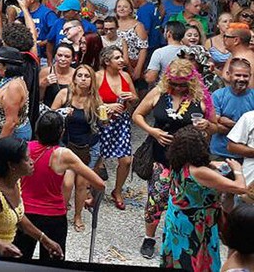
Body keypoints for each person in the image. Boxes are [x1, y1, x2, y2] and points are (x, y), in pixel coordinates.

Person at [132, 58, 209, 259]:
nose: (176, 87)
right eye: (173, 83)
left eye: (181, 84)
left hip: (189, 162)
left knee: (185, 201)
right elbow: (137, 115)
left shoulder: (200, 97)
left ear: (190, 82)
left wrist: (206, 126)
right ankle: (149, 238)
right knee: (156, 199)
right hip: (161, 158)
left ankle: (179, 237)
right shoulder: (159, 93)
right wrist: (153, 131)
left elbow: (215, 125)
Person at [15, 111, 105, 260]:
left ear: (37, 131)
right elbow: (99, 184)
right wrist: (93, 198)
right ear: (62, 133)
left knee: (19, 261)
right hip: (53, 216)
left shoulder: (24, 148)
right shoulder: (63, 154)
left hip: (25, 213)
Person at [0, 137, 63, 259]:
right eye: (26, 159)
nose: (32, 162)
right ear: (11, 165)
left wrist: (44, 240)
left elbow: (18, 215)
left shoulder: (14, 180)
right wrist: (0, 245)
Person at [161, 127, 247, 271]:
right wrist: (238, 169)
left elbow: (206, 168)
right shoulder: (200, 172)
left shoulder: (178, 162)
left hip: (177, 218)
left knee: (178, 259)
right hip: (195, 224)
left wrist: (214, 165)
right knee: (195, 261)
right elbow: (240, 187)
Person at [50, 63, 105, 231]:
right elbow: (50, 116)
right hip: (67, 145)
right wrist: (62, 113)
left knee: (82, 185)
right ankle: (61, 213)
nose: (83, 79)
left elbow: (102, 124)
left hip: (87, 147)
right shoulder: (64, 94)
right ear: (74, 78)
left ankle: (78, 215)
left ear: (92, 80)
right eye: (79, 75)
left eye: (87, 76)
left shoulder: (95, 100)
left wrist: (105, 115)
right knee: (67, 183)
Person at [95, 45, 138, 210]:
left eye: (121, 57)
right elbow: (90, 100)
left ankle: (117, 191)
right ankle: (93, 189)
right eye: (117, 58)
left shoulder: (125, 76)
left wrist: (132, 97)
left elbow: (136, 99)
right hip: (102, 121)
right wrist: (108, 106)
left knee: (126, 160)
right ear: (107, 61)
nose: (122, 60)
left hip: (121, 122)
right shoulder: (98, 76)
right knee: (97, 158)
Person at [211, 59, 254, 159]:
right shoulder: (218, 95)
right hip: (219, 153)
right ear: (228, 74)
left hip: (246, 155)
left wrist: (228, 123)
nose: (242, 79)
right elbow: (214, 124)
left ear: (250, 76)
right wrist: (242, 128)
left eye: (245, 76)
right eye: (238, 75)